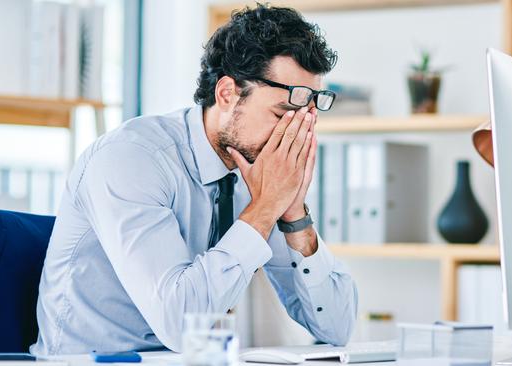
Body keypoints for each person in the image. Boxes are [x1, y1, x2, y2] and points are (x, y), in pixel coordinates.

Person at [30, 4, 358, 356]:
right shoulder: (131, 159)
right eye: (281, 114)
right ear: (227, 93)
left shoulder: (256, 169)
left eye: (305, 121)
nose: (291, 137)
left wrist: (294, 216)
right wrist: (263, 210)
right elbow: (179, 324)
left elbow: (337, 327)